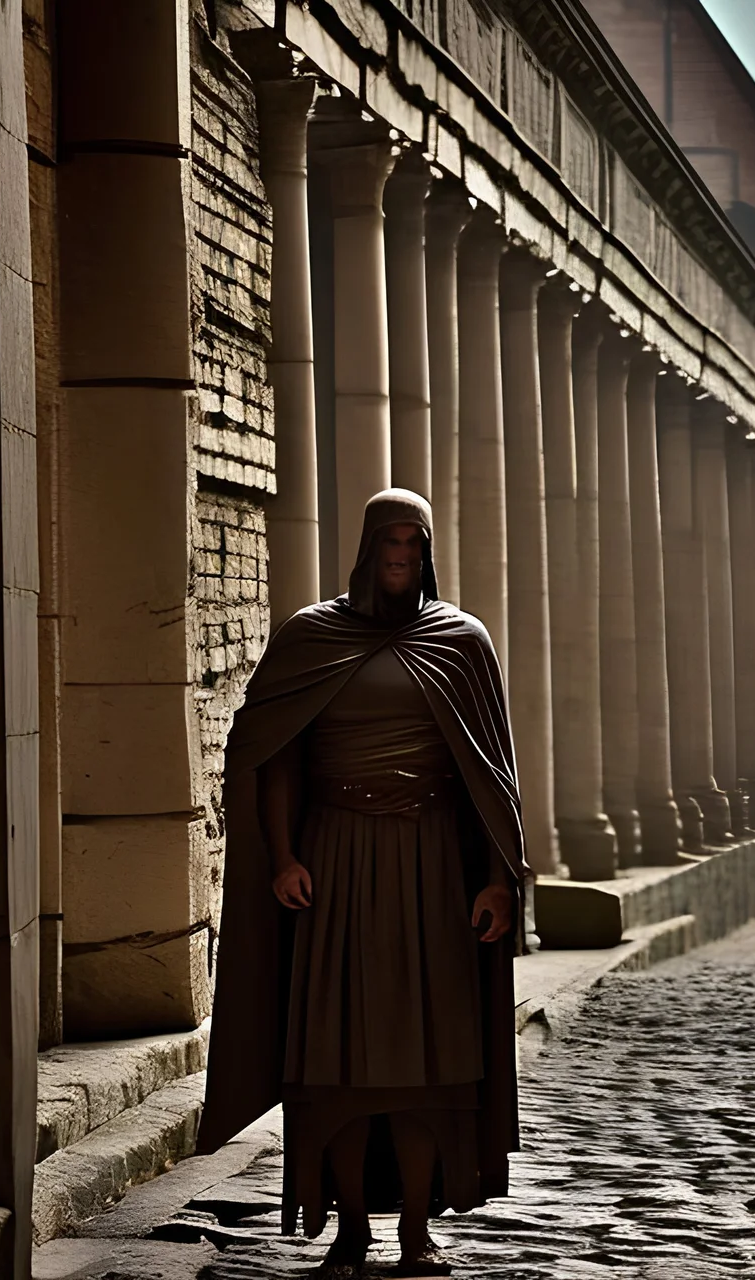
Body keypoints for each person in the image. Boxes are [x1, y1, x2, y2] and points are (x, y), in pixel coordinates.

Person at [196, 490, 527, 1277]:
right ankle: (348, 1231)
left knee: (427, 1063)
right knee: (336, 1061)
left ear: (427, 555)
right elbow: (277, 756)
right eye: (391, 548)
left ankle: (416, 1231)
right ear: (367, 551)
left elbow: (491, 777)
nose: (402, 560)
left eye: (414, 549)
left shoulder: (462, 641)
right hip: (336, 865)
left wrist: (496, 881)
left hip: (434, 868)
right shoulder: (311, 636)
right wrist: (283, 856)